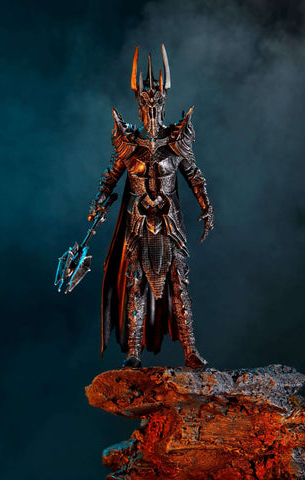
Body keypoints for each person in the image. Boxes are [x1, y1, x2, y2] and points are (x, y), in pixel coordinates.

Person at [89, 45, 214, 368]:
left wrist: (206, 205)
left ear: (164, 102)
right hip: (138, 225)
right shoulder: (129, 144)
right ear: (139, 106)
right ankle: (133, 352)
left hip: (170, 225)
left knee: (179, 283)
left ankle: (190, 351)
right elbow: (111, 177)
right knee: (136, 283)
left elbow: (193, 175)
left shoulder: (176, 141)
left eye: (156, 102)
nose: (152, 108)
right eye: (146, 103)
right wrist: (99, 203)